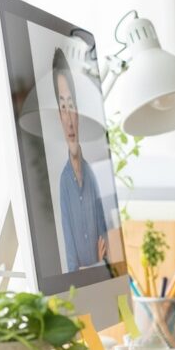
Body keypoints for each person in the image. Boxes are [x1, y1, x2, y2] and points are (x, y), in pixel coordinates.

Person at [53, 47, 108, 273]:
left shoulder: (95, 176)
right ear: (59, 115)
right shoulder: (64, 182)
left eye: (72, 106)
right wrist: (92, 264)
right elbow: (72, 264)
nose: (69, 121)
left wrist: (95, 264)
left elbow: (107, 249)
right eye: (63, 107)